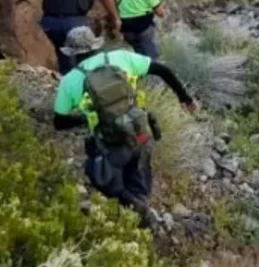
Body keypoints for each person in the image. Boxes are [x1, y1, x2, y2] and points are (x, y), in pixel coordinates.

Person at [52, 26, 197, 225]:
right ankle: (141, 217)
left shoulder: (69, 81)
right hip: (139, 132)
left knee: (101, 176)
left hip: (109, 144)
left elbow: (59, 122)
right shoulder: (121, 57)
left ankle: (133, 210)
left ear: (71, 54)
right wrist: (185, 98)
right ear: (96, 46)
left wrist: (86, 118)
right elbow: (163, 70)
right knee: (139, 180)